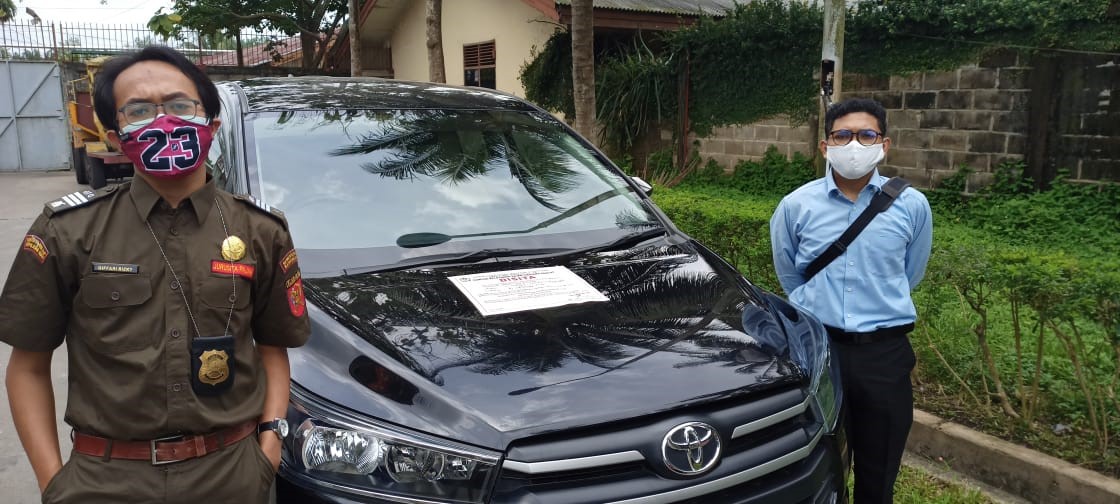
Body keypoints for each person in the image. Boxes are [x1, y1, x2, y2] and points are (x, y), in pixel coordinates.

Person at [0, 46, 310, 503]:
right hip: (105, 482)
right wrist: (54, 484)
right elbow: (26, 368)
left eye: (180, 105)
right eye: (140, 111)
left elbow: (272, 349)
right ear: (115, 137)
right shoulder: (67, 230)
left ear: (211, 125)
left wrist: (269, 445)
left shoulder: (260, 230)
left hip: (232, 475)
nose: (164, 121)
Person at [769, 98, 933, 503]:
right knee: (819, 466)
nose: (854, 144)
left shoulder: (912, 206)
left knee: (879, 473)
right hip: (819, 353)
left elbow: (910, 274)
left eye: (866, 135)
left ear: (884, 144)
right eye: (842, 135)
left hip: (884, 357)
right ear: (825, 146)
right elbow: (790, 278)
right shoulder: (795, 206)